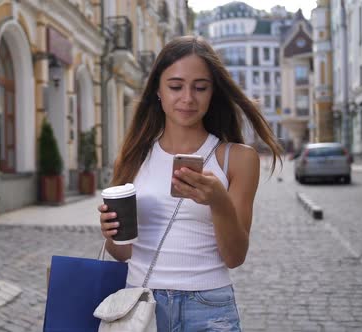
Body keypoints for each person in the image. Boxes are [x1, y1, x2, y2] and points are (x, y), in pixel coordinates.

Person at [98, 35, 282, 331]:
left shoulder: (237, 159)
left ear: (213, 93)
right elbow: (122, 253)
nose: (188, 98)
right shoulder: (134, 157)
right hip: (141, 306)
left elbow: (235, 257)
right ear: (158, 90)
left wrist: (218, 201)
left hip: (208, 308)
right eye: (175, 86)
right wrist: (110, 233)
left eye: (200, 87)